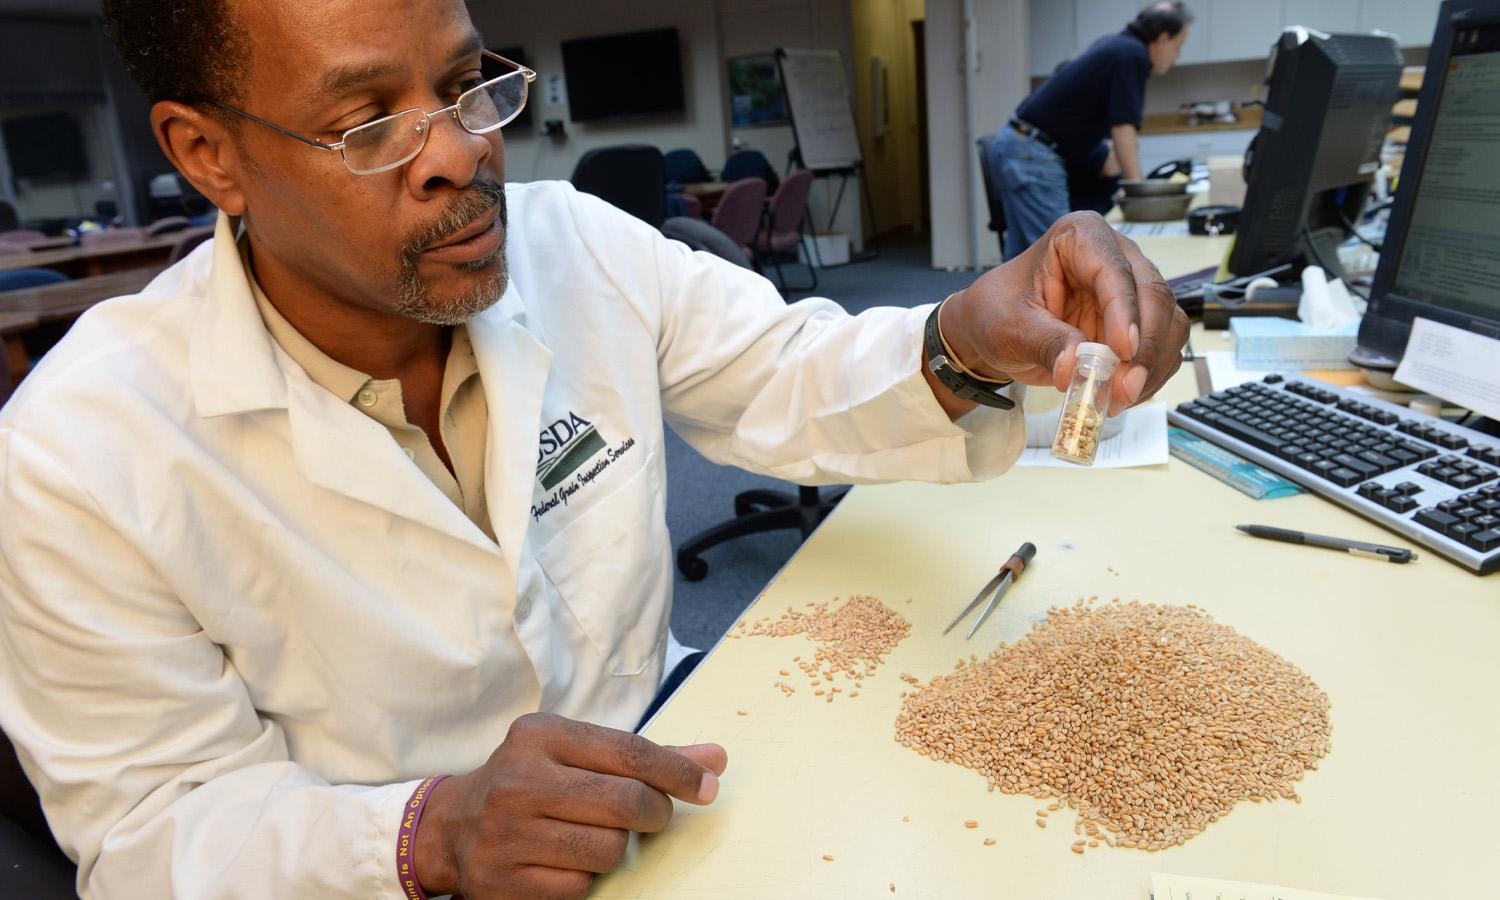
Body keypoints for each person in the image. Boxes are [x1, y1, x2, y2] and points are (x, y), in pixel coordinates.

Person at [0, 0, 1189, 897]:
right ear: (209, 155)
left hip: (672, 764)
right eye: (365, 124)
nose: (461, 152)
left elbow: (786, 372)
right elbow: (153, 828)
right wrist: (427, 833)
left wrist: (962, 341)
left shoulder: (576, 244)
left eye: (467, 85)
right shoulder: (77, 453)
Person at [991, 1, 1193, 259]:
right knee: (1059, 257)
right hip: (1033, 155)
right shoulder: (1131, 55)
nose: (1178, 56)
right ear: (1163, 39)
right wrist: (1138, 195)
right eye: (1178, 47)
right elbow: (1123, 127)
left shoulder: (1116, 46)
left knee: (1023, 259)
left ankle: (1006, 301)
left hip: (1019, 145)